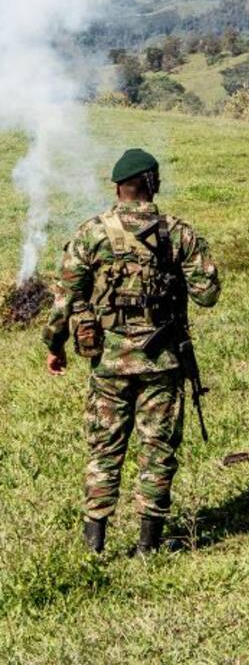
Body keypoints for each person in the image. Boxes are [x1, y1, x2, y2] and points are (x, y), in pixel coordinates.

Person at [43, 148, 220, 555]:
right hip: (162, 361)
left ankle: (95, 546)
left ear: (118, 187)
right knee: (157, 449)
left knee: (104, 449)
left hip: (108, 362)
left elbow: (64, 300)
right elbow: (208, 294)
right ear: (152, 183)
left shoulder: (91, 233)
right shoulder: (177, 232)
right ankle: (147, 547)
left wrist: (55, 346)